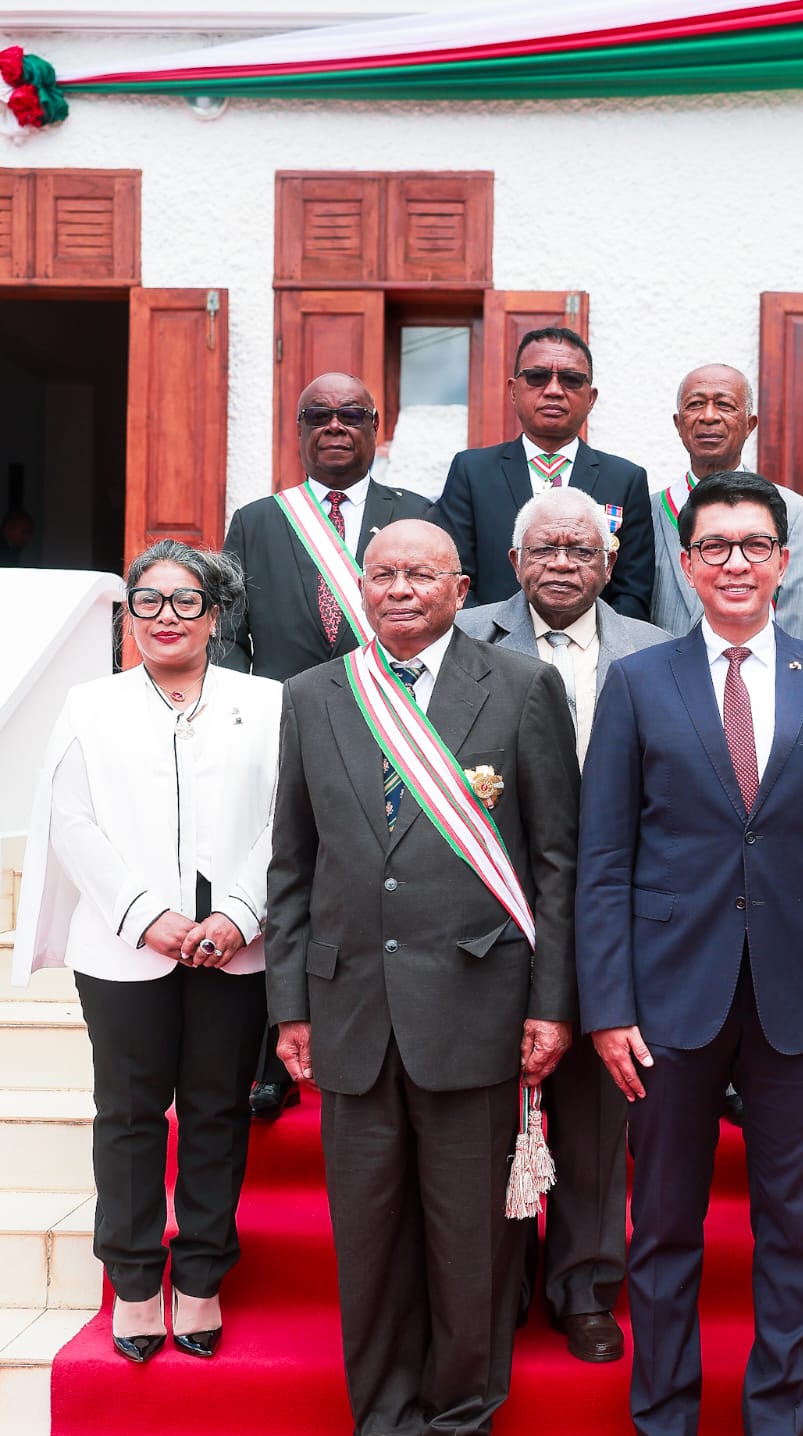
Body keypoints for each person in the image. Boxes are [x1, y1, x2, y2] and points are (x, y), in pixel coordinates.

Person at [577, 471, 803, 1436]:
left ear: (783, 561)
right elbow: (607, 857)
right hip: (668, 994)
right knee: (663, 1229)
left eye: (751, 544)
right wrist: (608, 1002)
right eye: (711, 545)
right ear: (683, 564)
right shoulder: (640, 682)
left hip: (802, 997)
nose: (731, 561)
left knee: (788, 1232)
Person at [266, 520, 580, 1436]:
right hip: (351, 1009)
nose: (401, 589)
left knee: (467, 1245)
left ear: (461, 584)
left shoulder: (522, 686)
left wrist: (551, 1000)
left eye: (421, 574)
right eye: (384, 573)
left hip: (479, 1010)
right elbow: (292, 864)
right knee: (369, 1244)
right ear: (360, 585)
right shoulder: (314, 696)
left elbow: (554, 866)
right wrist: (289, 1004)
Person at [12, 541, 282, 1363]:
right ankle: (133, 1279)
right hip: (124, 947)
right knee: (128, 1114)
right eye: (149, 601)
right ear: (128, 614)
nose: (166, 617)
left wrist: (239, 913)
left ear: (217, 614)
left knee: (214, 1110)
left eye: (186, 601)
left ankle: (200, 1273)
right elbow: (70, 821)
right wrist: (142, 916)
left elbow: (286, 821)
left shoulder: (267, 702)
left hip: (234, 947)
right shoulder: (90, 705)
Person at [455, 487, 668, 1362]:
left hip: (614, 910)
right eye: (544, 549)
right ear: (514, 562)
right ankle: (497, 1276)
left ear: (610, 565)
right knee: (483, 1104)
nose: (562, 564)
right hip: (488, 908)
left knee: (593, 1108)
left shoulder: (655, 650)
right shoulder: (461, 636)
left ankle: (583, 1282)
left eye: (581, 550)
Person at [221, 369, 433, 1119]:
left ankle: (386, 1035)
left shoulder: (417, 513)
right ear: (298, 428)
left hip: (395, 728)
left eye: (352, 414)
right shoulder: (257, 519)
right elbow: (229, 641)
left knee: (376, 885)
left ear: (377, 427)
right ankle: (275, 1053)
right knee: (292, 884)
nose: (335, 425)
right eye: (318, 414)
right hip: (289, 727)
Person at [432, 326, 653, 619]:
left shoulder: (626, 479)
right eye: (537, 377)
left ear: (591, 398)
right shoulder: (472, 472)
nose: (553, 390)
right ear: (513, 390)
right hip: (489, 652)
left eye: (571, 380)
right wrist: (490, 646)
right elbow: (454, 577)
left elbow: (633, 593)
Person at [651, 363, 803, 643]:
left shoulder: (797, 512)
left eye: (724, 404)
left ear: (749, 425)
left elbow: (801, 631)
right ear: (678, 423)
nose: (709, 416)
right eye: (695, 404)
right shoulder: (650, 510)